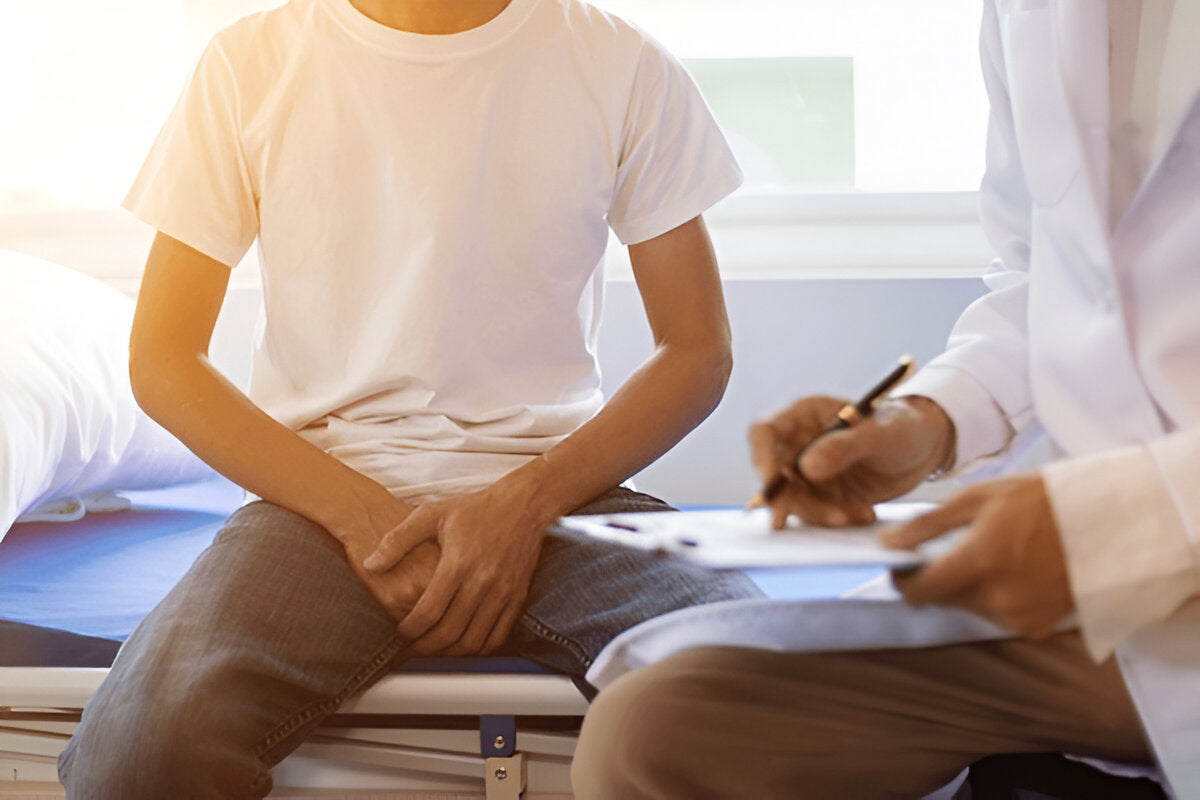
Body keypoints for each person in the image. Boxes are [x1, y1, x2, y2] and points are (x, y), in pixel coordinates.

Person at [57, 0, 764, 795]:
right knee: (138, 757)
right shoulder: (248, 62)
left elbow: (697, 350)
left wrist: (521, 508)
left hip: (562, 503)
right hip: (318, 512)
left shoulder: (621, 61)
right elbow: (163, 359)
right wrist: (365, 520)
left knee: (770, 698)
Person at [571, 0, 1200, 797]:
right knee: (661, 729)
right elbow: (1047, 280)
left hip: (1159, 560)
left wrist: (1128, 519)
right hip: (1082, 604)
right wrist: (926, 423)